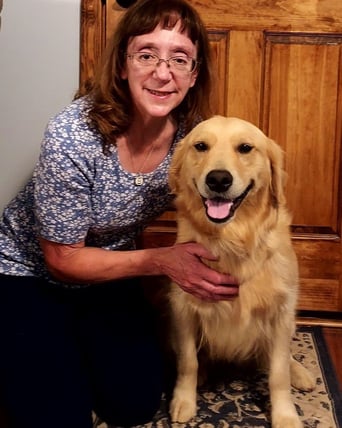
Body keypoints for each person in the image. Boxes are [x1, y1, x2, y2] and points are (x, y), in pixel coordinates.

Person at [0, 0, 239, 427]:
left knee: (133, 405)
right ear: (123, 66)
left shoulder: (195, 139)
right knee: (57, 419)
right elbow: (62, 260)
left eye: (179, 59)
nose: (162, 73)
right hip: (29, 272)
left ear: (194, 73)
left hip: (110, 268)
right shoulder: (72, 135)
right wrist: (162, 260)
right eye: (146, 54)